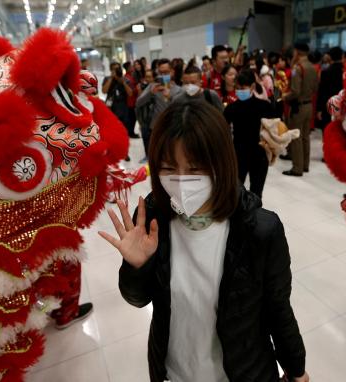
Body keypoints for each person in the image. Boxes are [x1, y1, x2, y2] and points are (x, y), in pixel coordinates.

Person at [98, 99, 308, 382]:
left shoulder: (260, 230)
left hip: (243, 372)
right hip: (173, 371)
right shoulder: (152, 220)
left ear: (221, 163)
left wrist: (296, 369)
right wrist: (136, 267)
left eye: (196, 169)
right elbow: (138, 299)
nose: (182, 182)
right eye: (170, 168)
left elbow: (278, 309)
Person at [224, 69, 277, 198]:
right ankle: (238, 216)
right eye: (237, 88)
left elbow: (274, 130)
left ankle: (254, 216)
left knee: (256, 192)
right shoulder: (231, 108)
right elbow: (223, 130)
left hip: (259, 154)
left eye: (243, 87)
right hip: (238, 154)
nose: (240, 90)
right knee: (235, 191)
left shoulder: (265, 106)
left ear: (252, 86)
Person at [282, 43, 318, 177]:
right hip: (309, 106)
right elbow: (315, 88)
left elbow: (295, 91)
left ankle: (297, 168)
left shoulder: (298, 68)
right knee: (305, 137)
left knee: (296, 137)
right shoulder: (313, 67)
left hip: (298, 106)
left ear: (296, 52)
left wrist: (285, 96)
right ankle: (305, 165)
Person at [136, 58, 184, 130]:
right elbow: (138, 103)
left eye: (166, 72)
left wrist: (170, 97)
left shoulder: (179, 90)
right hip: (156, 127)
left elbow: (182, 108)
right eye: (160, 73)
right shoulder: (153, 86)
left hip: (173, 127)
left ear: (172, 72)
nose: (163, 75)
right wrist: (150, 93)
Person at [102, 62, 134, 137]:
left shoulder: (125, 79)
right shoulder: (107, 79)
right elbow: (104, 91)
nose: (116, 71)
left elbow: (130, 94)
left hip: (123, 108)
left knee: (123, 129)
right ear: (110, 70)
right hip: (111, 107)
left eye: (117, 69)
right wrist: (111, 79)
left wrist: (123, 82)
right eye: (114, 69)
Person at [316, 46, 344, 130]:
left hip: (328, 106)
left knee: (328, 131)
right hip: (344, 106)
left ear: (330, 57)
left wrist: (319, 109)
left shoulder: (326, 72)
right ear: (342, 56)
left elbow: (322, 92)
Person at [136, 69, 155, 161]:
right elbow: (139, 102)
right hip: (143, 117)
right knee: (145, 138)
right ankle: (147, 156)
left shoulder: (155, 89)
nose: (148, 79)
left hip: (153, 118)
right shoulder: (142, 87)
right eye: (146, 76)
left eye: (150, 77)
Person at [123, 61, 141, 139]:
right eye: (131, 67)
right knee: (132, 118)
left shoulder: (131, 76)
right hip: (130, 101)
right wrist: (136, 89)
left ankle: (131, 132)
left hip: (134, 100)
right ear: (128, 68)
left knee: (133, 118)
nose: (132, 68)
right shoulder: (126, 78)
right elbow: (130, 90)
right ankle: (130, 132)